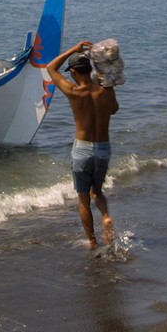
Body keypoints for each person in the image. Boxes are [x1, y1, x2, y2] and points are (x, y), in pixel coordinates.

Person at [47, 40, 120, 250]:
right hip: (103, 148)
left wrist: (74, 49)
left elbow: (50, 68)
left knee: (83, 199)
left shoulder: (73, 91)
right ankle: (105, 216)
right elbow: (114, 109)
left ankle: (93, 241)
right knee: (98, 192)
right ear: (90, 70)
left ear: (73, 72)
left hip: (82, 149)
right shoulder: (105, 90)